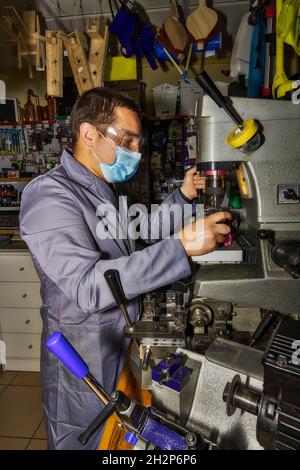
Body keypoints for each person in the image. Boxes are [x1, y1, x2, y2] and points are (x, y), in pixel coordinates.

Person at [20, 87, 231, 450]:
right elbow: (87, 287)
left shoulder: (101, 190)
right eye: (128, 141)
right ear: (89, 134)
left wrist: (182, 198)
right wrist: (181, 247)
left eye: (137, 143)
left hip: (121, 346)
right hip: (82, 357)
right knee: (87, 441)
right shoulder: (50, 196)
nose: (136, 152)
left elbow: (140, 235)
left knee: (124, 442)